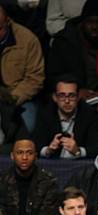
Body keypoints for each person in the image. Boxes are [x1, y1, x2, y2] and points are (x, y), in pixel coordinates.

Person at [47, 0, 98, 114]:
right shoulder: (65, 41)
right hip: (73, 95)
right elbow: (53, 76)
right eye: (89, 22)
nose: (94, 27)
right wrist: (76, 89)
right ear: (82, 23)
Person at [0, 139, 59, 215]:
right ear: (12, 156)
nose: (24, 157)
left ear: (36, 156)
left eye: (29, 153)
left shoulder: (48, 181)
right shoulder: (2, 180)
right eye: (20, 153)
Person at [33, 74, 98, 160]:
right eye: (62, 96)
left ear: (78, 97)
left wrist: (78, 151)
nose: (67, 101)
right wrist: (48, 150)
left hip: (80, 165)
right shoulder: (45, 114)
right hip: (52, 164)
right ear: (55, 97)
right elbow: (35, 144)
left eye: (71, 96)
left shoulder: (90, 114)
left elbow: (97, 148)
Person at [0, 4, 44, 132]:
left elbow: (35, 78)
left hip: (18, 98)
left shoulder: (28, 40)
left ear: (8, 22)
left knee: (29, 126)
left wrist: (11, 99)